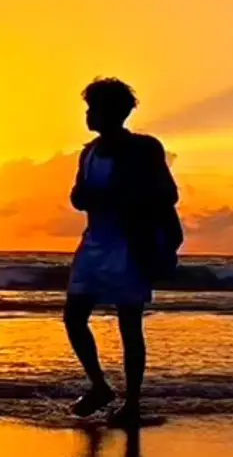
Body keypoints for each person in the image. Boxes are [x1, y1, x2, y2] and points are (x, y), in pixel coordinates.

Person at [64, 78, 180, 426]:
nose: (88, 115)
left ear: (114, 112)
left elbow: (168, 194)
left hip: (130, 245)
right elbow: (78, 195)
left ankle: (132, 402)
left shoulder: (144, 149)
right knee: (73, 317)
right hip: (94, 243)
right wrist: (84, 198)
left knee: (129, 325)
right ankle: (100, 386)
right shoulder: (88, 152)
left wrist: (123, 197)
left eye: (94, 108)